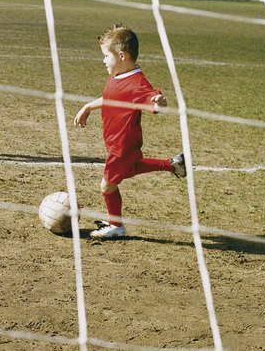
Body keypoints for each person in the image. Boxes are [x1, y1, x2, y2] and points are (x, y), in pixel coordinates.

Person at [73, 24, 186, 238]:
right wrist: (88, 107)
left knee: (107, 187)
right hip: (120, 144)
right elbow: (110, 98)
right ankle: (173, 165)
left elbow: (153, 101)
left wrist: (160, 102)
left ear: (122, 55)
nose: (104, 60)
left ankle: (116, 226)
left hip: (121, 147)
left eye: (106, 56)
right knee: (131, 168)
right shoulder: (117, 75)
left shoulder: (137, 84)